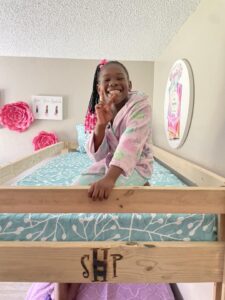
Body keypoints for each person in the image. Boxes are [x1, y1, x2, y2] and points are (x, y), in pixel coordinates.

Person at [26, 60, 154, 300]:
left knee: (102, 194)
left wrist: (109, 179)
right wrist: (101, 123)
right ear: (99, 89)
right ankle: (68, 264)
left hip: (134, 166)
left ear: (130, 84)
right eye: (107, 80)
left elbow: (130, 143)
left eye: (120, 79)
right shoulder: (104, 108)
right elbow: (97, 153)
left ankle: (68, 279)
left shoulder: (141, 105)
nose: (114, 83)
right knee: (75, 192)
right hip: (110, 163)